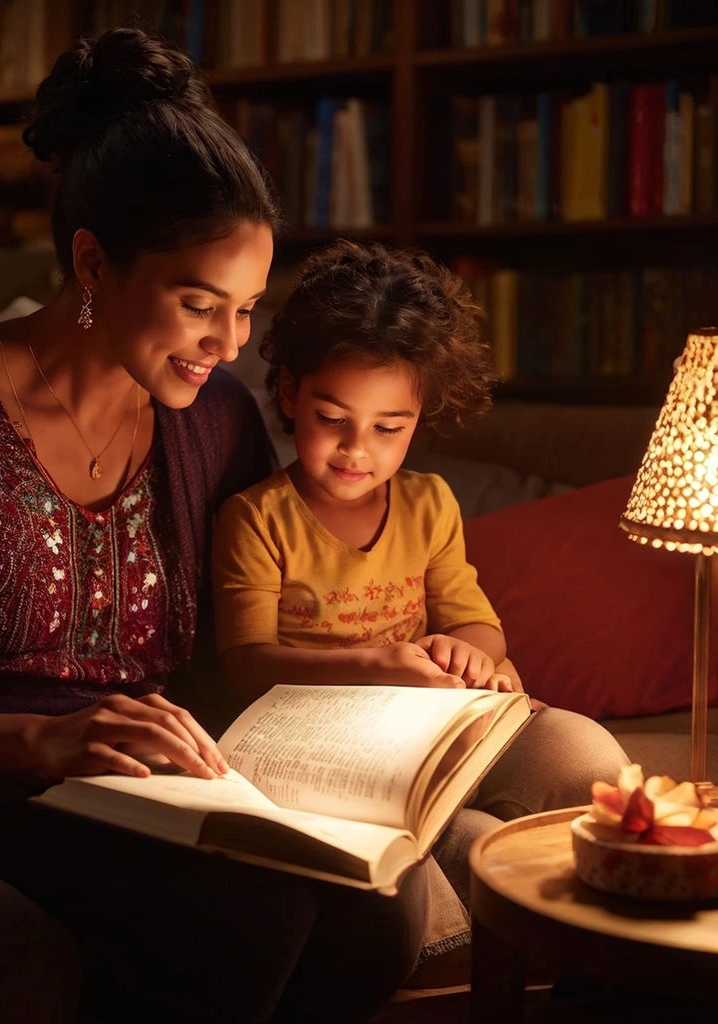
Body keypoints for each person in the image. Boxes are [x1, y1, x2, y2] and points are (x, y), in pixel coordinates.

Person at [0, 30, 451, 1024]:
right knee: (243, 915)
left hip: (158, 782)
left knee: (380, 910)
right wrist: (45, 740)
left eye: (248, 309)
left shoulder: (215, 422)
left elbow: (230, 651)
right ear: (92, 263)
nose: (230, 343)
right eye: (198, 303)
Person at [211, 239, 630, 906]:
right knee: (465, 844)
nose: (356, 450)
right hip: (317, 747)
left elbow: (478, 624)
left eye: (388, 428)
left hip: (425, 725)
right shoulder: (258, 517)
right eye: (332, 419)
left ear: (418, 421)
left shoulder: (429, 503)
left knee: (582, 755)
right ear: (289, 393)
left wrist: (466, 654)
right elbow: (246, 664)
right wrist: (377, 664)